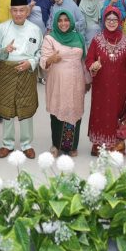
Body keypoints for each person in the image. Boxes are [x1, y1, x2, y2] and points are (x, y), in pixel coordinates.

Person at [0, 0, 43, 159]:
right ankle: (8, 144)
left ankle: (27, 144)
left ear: (27, 11)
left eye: (21, 10)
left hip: (27, 72)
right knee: (7, 108)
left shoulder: (35, 29)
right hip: (7, 71)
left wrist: (31, 62)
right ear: (10, 11)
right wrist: (5, 50)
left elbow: (41, 52)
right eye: (15, 10)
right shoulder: (1, 28)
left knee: (25, 106)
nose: (18, 14)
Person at [85, 6, 126, 155]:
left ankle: (116, 142)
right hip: (101, 85)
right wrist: (93, 66)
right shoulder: (97, 40)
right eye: (108, 19)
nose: (112, 22)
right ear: (104, 20)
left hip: (120, 85)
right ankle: (98, 143)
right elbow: (89, 60)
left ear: (119, 21)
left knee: (117, 112)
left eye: (115, 19)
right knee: (100, 112)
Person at [40, 9, 90, 157]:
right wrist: (50, 60)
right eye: (60, 20)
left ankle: (71, 145)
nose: (63, 23)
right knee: (58, 110)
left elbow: (83, 61)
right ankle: (56, 145)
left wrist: (87, 80)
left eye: (66, 20)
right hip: (58, 81)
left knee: (74, 110)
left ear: (71, 21)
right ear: (56, 22)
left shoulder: (79, 37)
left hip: (76, 81)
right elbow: (43, 59)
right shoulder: (50, 38)